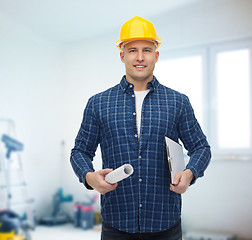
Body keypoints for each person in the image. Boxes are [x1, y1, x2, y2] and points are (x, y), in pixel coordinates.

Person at [70, 16, 211, 240]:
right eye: (132, 49)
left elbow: (201, 148)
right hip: (116, 223)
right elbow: (79, 151)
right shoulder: (98, 103)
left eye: (147, 49)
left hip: (165, 223)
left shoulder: (177, 102)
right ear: (122, 55)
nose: (140, 57)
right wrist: (89, 177)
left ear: (156, 55)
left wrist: (189, 174)